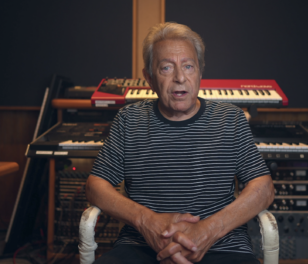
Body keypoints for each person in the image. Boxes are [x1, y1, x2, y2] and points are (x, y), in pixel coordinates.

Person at [86, 22, 274, 264]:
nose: (179, 78)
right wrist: (148, 222)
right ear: (149, 77)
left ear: (199, 72)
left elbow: (264, 187)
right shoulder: (128, 120)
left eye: (188, 66)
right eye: (166, 68)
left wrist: (207, 231)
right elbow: (94, 185)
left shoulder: (230, 118)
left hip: (222, 246)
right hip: (142, 246)